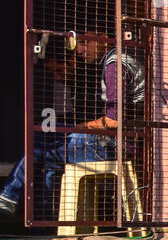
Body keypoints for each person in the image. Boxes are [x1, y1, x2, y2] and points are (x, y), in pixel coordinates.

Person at [0, 37, 144, 218]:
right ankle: (19, 203)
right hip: (106, 140)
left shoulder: (115, 65)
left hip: (115, 146)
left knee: (45, 151)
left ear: (105, 38)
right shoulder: (112, 61)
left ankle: (21, 205)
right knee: (42, 135)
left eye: (85, 42)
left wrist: (79, 128)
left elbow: (114, 121)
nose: (80, 50)